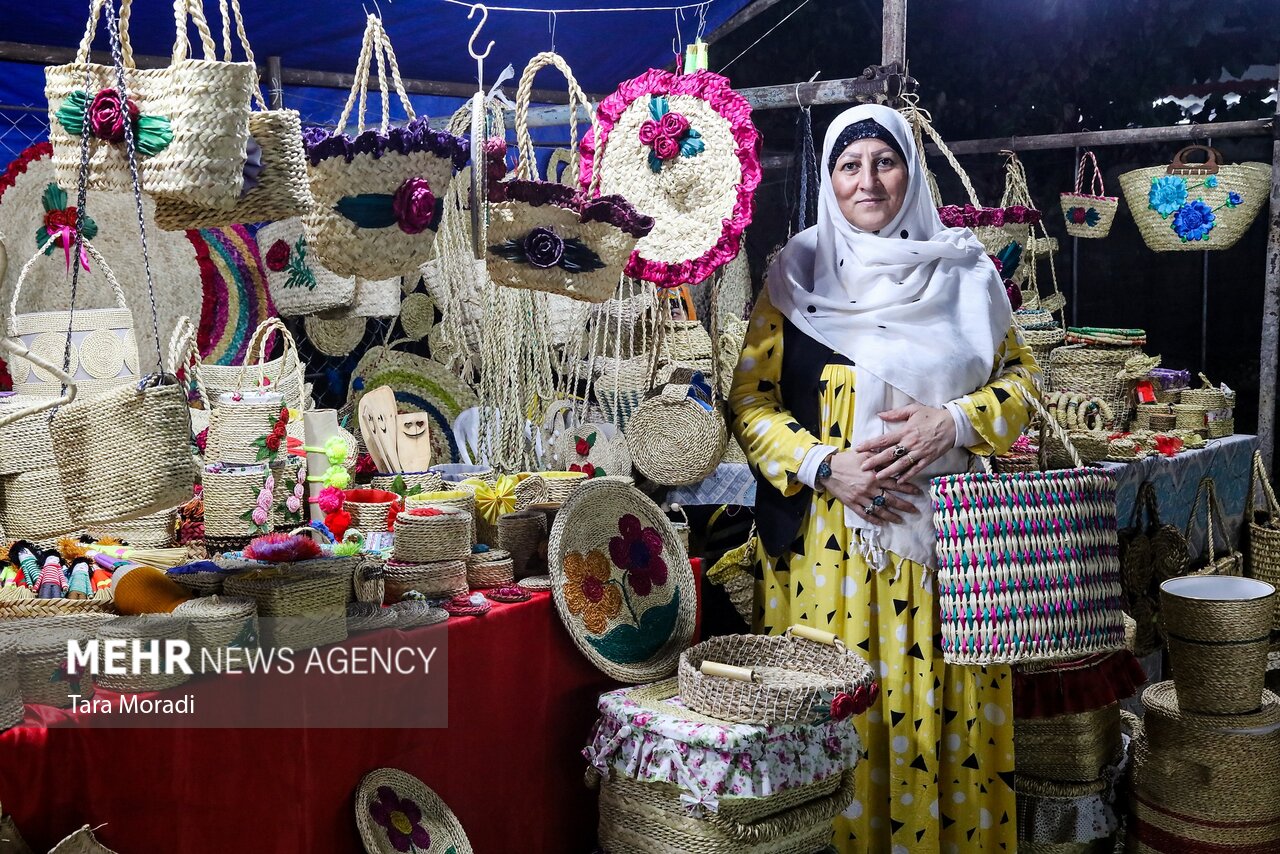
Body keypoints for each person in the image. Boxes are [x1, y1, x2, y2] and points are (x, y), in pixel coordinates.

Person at [729, 104, 1039, 852]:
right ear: (829, 180)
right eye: (848, 165)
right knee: (839, 723)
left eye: (884, 161)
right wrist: (822, 464)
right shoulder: (794, 275)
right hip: (825, 560)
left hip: (952, 555)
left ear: (910, 170)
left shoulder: (964, 271)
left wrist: (956, 422)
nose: (867, 180)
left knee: (947, 725)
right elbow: (748, 399)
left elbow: (1025, 386)